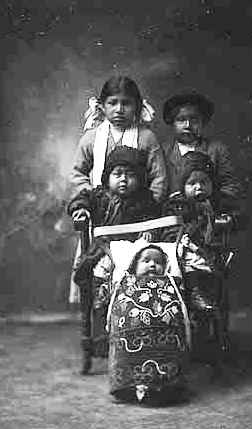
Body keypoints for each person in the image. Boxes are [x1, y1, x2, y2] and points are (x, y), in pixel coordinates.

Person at [67, 146, 161, 371]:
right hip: (106, 249)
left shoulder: (145, 199)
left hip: (132, 251)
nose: (123, 180)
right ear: (107, 177)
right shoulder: (98, 196)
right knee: (101, 269)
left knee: (144, 267)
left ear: (139, 179)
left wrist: (150, 231)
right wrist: (81, 210)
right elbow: (81, 199)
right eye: (117, 174)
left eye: (130, 176)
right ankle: (102, 297)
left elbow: (156, 215)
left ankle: (140, 323)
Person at [161, 151, 244, 358]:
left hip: (210, 252)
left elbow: (239, 216)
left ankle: (200, 297)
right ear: (183, 187)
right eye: (192, 183)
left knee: (200, 260)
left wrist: (228, 220)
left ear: (212, 184)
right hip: (184, 248)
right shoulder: (177, 204)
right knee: (181, 257)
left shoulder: (218, 202)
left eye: (204, 182)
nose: (199, 187)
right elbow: (168, 228)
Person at [106, 244, 190, 404]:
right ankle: (129, 386)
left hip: (165, 335)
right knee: (126, 350)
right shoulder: (125, 282)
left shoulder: (171, 282)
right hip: (130, 336)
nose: (152, 264)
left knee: (168, 351)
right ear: (134, 265)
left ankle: (163, 387)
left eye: (158, 262)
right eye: (146, 260)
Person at [71, 76, 167, 202]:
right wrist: (93, 199)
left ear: (137, 107)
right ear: (102, 106)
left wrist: (149, 205)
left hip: (138, 210)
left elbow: (159, 177)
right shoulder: (91, 138)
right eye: (113, 103)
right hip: (100, 210)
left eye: (126, 103)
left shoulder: (146, 137)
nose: (119, 110)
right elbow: (77, 174)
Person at [162, 92, 241, 210]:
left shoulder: (217, 150)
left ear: (202, 122)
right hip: (173, 215)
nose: (188, 125)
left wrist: (211, 204)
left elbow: (230, 187)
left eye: (194, 120)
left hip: (210, 213)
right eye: (181, 120)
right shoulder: (163, 152)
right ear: (172, 122)